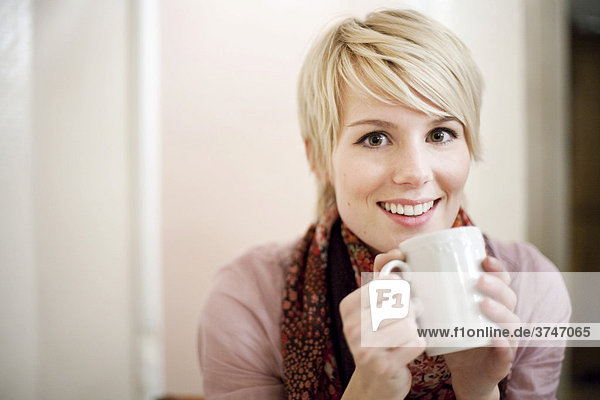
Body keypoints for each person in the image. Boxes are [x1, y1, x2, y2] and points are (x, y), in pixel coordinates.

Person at [198, 9, 570, 399]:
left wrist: (478, 389)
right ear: (319, 158)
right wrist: (369, 391)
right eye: (375, 138)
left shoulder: (534, 288)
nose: (415, 172)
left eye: (441, 133)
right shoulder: (248, 299)